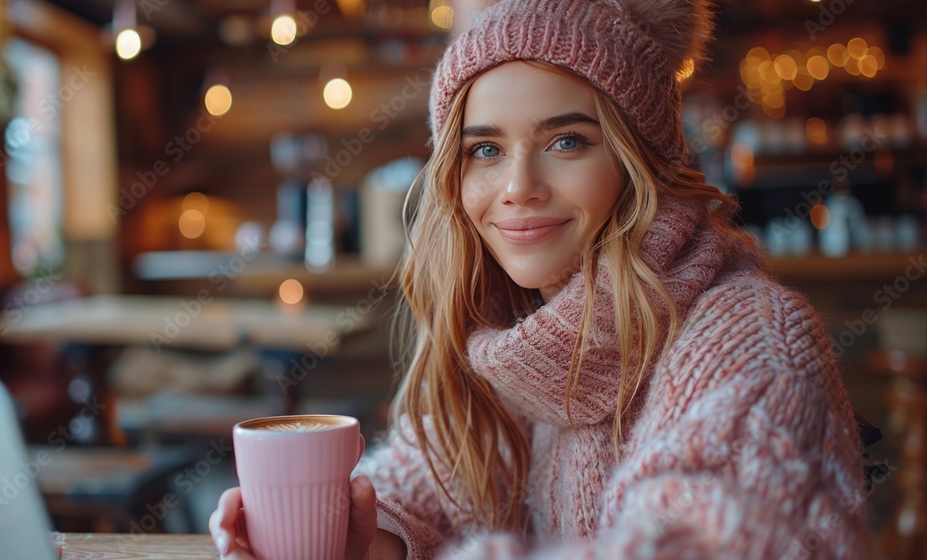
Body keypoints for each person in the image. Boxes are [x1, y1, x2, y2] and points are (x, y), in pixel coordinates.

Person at [210, 0, 872, 557]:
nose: (518, 188)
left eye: (566, 141)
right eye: (486, 150)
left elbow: (712, 539)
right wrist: (364, 535)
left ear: (637, 158)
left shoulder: (750, 334)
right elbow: (426, 484)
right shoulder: (514, 329)